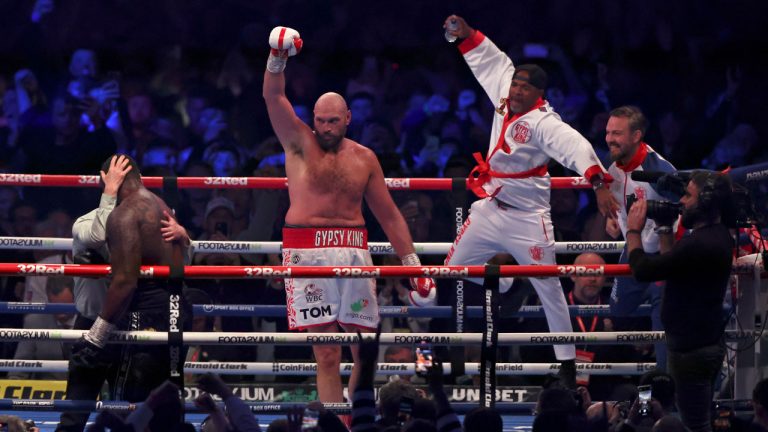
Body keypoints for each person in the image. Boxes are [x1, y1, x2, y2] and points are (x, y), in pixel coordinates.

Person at [441, 15, 619, 387]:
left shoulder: (544, 123)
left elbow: (576, 146)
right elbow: (491, 60)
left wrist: (599, 181)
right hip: (491, 207)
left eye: (524, 87)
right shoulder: (505, 96)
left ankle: (568, 365)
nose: (516, 90)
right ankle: (507, 284)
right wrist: (465, 34)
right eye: (516, 84)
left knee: (551, 288)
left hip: (528, 217)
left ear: (538, 93)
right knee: (454, 269)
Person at [262, 26, 437, 404]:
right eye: (320, 120)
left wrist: (412, 264)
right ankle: (332, 423)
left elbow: (389, 216)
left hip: (354, 250)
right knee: (326, 352)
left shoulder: (364, 159)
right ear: (313, 118)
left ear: (348, 119)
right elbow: (273, 95)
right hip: (307, 253)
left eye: (333, 121)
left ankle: (357, 419)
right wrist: (277, 57)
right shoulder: (297, 141)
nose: (325, 128)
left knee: (364, 349)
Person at [58, 154, 190, 432]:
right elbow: (97, 236)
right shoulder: (88, 222)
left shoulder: (138, 213)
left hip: (129, 315)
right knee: (82, 403)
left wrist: (185, 237)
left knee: (132, 402)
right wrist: (109, 194)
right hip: (101, 315)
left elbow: (135, 278)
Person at [626, 171, 734, 432]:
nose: (682, 201)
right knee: (699, 418)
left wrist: (633, 229)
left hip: (691, 352)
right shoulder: (716, 235)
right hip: (703, 343)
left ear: (706, 202)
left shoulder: (699, 243)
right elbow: (674, 265)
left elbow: (643, 270)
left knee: (694, 425)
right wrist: (664, 227)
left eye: (688, 195)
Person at [605, 105, 677, 370]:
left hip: (663, 253)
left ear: (636, 136)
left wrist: (669, 258)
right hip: (634, 247)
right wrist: (613, 218)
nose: (610, 138)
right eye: (608, 132)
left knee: (663, 320)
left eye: (617, 133)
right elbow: (618, 200)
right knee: (618, 310)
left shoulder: (659, 170)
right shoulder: (612, 166)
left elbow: (682, 212)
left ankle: (664, 386)